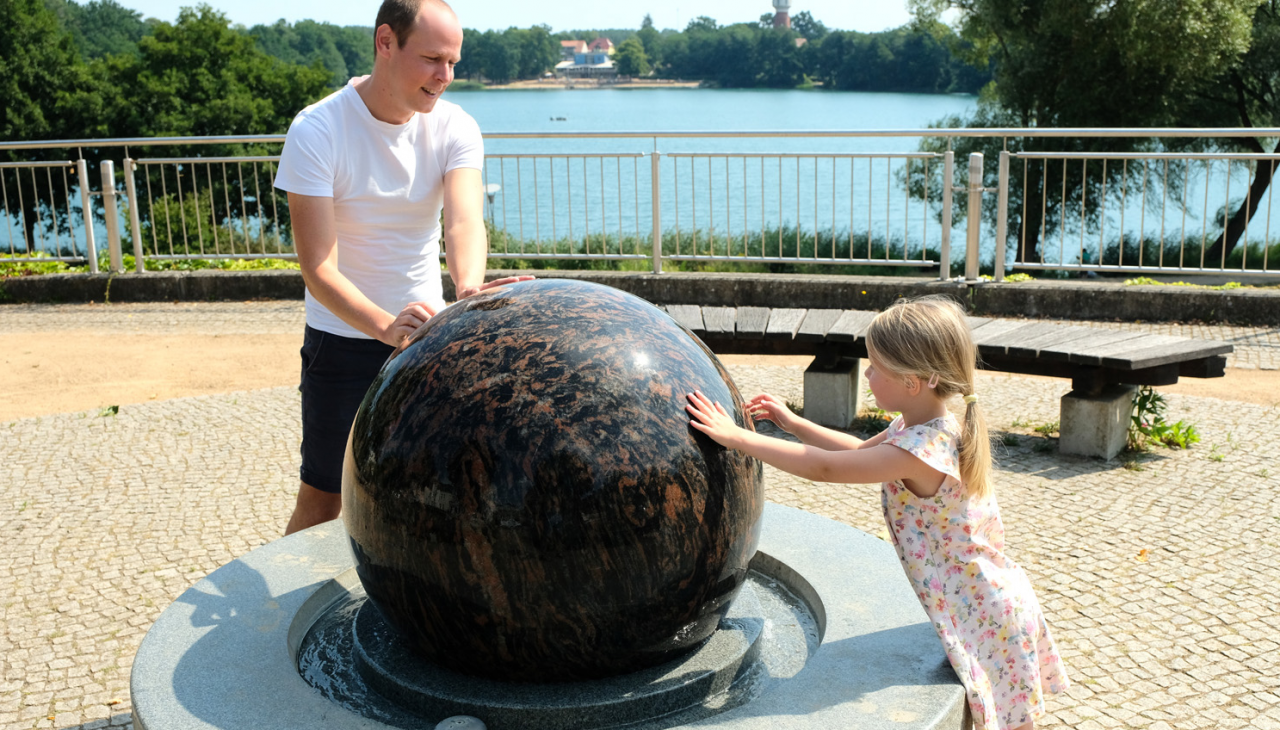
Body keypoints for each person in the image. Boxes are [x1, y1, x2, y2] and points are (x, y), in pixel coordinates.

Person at [684, 297, 1069, 730]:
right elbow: (856, 451)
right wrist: (794, 423)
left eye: (876, 367)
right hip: (982, 601)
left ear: (918, 381)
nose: (867, 375)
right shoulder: (919, 427)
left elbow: (826, 469)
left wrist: (737, 438)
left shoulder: (921, 451)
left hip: (986, 613)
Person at [274, 0, 530, 535]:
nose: (445, 77)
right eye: (433, 59)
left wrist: (467, 289)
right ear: (385, 42)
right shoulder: (317, 129)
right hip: (342, 340)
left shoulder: (455, 126)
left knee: (438, 487)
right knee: (325, 496)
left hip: (428, 333)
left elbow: (463, 223)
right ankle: (279, 612)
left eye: (454, 62)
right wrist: (384, 327)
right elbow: (318, 267)